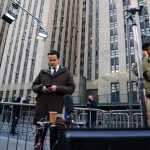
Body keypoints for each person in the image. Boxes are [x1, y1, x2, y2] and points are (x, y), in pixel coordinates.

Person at [32, 50, 76, 150]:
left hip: (57, 112)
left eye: (54, 60)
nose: (51, 62)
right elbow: (34, 86)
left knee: (55, 141)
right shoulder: (42, 73)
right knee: (38, 141)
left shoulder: (67, 73)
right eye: (50, 60)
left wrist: (58, 88)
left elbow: (72, 89)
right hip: (42, 110)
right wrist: (41, 88)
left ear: (58, 59)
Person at [132, 42, 150, 128]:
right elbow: (136, 71)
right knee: (147, 119)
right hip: (146, 95)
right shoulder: (141, 60)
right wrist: (145, 58)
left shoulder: (144, 61)